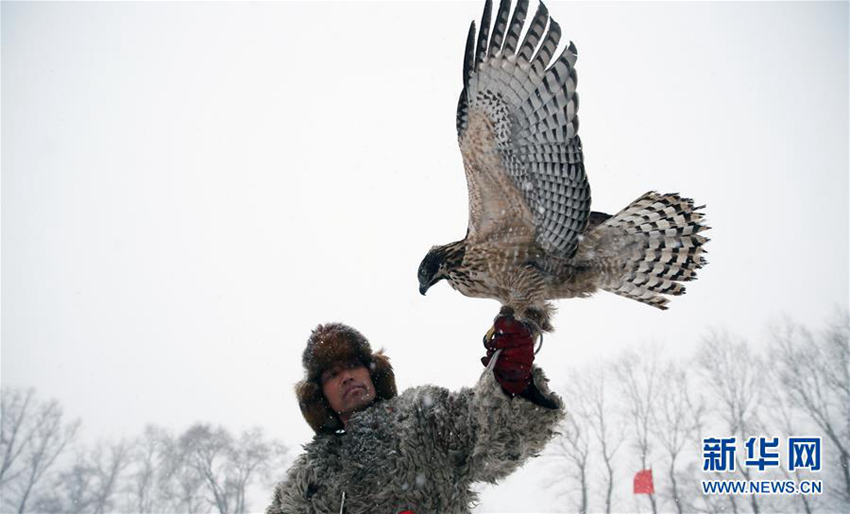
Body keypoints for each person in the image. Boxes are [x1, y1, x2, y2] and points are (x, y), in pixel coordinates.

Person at [266, 316, 564, 513]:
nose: (347, 377)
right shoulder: (311, 478)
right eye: (333, 373)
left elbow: (493, 437)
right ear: (320, 395)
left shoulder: (424, 414)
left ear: (372, 372)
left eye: (353, 365)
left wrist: (511, 382)